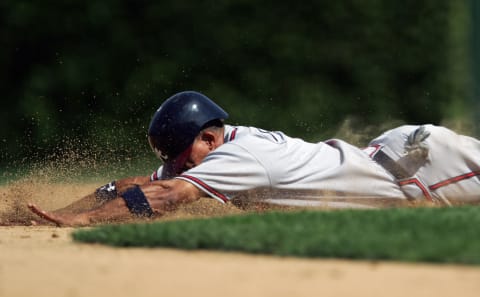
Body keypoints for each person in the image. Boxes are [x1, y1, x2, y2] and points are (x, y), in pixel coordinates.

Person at [28, 91, 480, 226]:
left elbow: (165, 195)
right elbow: (141, 184)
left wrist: (82, 223)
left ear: (207, 138)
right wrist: (59, 212)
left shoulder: (241, 155)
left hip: (421, 169)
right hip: (396, 159)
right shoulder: (214, 151)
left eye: (181, 156)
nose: (176, 165)